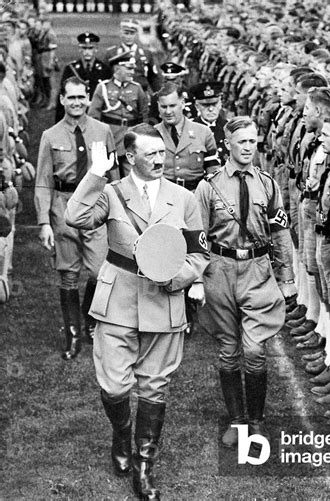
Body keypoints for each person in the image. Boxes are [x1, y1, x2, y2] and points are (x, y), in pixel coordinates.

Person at [64, 124, 209, 500]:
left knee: (154, 386)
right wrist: (95, 173)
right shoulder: (110, 193)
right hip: (118, 302)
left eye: (162, 153)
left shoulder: (184, 198)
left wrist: (176, 278)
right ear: (130, 157)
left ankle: (144, 466)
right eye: (151, 154)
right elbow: (75, 217)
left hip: (164, 301)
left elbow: (199, 253)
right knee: (114, 386)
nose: (160, 159)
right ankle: (120, 433)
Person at [194, 116, 296, 447]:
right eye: (242, 142)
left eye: (253, 141)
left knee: (254, 350)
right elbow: (196, 236)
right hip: (220, 270)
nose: (249, 147)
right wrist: (196, 278)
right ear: (228, 145)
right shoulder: (208, 186)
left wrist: (287, 277)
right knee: (228, 350)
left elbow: (280, 232)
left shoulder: (267, 184)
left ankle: (257, 420)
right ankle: (236, 421)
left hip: (257, 270)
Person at [35, 76, 115, 358]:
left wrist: (118, 212)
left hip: (95, 207)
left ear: (88, 98)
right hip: (63, 208)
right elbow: (43, 180)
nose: (77, 102)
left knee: (100, 271)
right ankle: (72, 336)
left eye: (82, 97)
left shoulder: (103, 130)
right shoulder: (51, 135)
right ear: (62, 100)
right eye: (71, 98)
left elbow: (113, 176)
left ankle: (90, 316)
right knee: (68, 274)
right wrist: (44, 221)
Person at [88, 52, 148, 177]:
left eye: (133, 68)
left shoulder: (137, 88)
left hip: (130, 139)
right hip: (110, 138)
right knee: (110, 176)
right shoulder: (103, 87)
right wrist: (98, 139)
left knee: (132, 177)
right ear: (117, 69)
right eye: (129, 68)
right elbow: (93, 116)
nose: (132, 72)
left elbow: (144, 114)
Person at [153, 82, 219, 190]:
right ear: (158, 106)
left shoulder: (203, 132)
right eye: (163, 107)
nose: (168, 111)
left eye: (172, 106)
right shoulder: (152, 134)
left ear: (183, 103)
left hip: (195, 194)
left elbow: (213, 170)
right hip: (163, 194)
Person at [55, 32, 112, 122]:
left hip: (96, 115)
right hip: (75, 114)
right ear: (79, 49)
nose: (87, 52)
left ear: (96, 49)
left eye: (90, 48)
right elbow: (63, 95)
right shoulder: (70, 69)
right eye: (84, 48)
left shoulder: (105, 69)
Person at [106, 19, 159, 93]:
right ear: (120, 33)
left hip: (142, 93)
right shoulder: (112, 53)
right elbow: (106, 76)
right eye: (126, 33)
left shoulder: (146, 54)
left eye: (132, 33)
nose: (129, 37)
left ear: (136, 34)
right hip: (119, 92)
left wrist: (158, 95)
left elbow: (154, 78)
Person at [190, 81, 229, 164]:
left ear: (220, 104)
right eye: (206, 105)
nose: (211, 109)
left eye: (214, 104)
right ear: (197, 106)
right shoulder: (189, 128)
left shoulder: (230, 127)